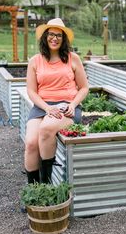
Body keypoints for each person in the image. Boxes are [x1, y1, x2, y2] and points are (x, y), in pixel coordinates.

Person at [24, 18, 89, 184]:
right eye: (51, 34)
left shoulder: (73, 58)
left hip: (67, 106)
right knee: (31, 143)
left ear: (64, 38)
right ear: (45, 36)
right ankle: (33, 189)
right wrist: (46, 108)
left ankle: (46, 185)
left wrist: (73, 105)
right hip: (42, 106)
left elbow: (84, 88)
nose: (55, 38)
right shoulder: (35, 61)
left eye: (59, 35)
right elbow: (31, 91)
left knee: (46, 129)